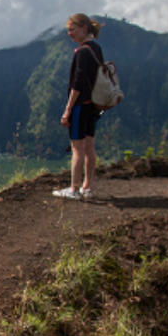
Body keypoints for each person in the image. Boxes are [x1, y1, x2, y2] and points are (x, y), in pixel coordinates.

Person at [55, 14, 110, 202]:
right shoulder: (96, 49)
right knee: (89, 146)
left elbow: (77, 83)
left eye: (72, 29)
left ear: (84, 28)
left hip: (80, 105)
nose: (69, 33)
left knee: (77, 148)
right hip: (93, 106)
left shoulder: (82, 52)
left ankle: (74, 189)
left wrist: (68, 109)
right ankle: (87, 187)